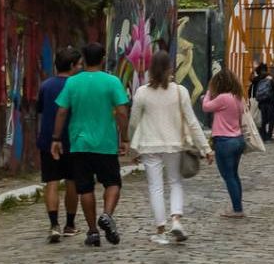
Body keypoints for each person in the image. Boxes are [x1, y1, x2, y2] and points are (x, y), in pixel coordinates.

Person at [52, 42, 131, 247]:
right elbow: (122, 112)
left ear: (84, 59)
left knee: (85, 188)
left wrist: (56, 138)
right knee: (113, 183)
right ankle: (107, 215)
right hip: (105, 143)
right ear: (103, 58)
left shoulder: (72, 83)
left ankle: (93, 231)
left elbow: (61, 111)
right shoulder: (112, 82)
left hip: (79, 143)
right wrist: (124, 137)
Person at [129, 48, 210, 245]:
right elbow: (192, 122)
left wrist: (132, 145)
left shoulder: (141, 93)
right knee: (175, 182)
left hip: (149, 145)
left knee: (155, 187)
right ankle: (176, 220)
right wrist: (206, 148)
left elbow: (133, 122)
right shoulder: (180, 92)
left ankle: (160, 229)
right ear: (169, 68)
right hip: (173, 144)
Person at [35, 46, 84, 243]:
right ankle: (70, 225)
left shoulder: (46, 86)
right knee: (72, 182)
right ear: (72, 65)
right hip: (72, 140)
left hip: (49, 140)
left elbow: (40, 110)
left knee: (51, 182)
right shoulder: (77, 86)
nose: (81, 67)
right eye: (79, 64)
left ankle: (54, 225)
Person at [201, 70, 248, 218]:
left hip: (224, 141)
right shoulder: (238, 98)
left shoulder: (223, 98)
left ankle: (237, 209)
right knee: (234, 174)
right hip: (238, 139)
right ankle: (238, 206)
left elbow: (206, 107)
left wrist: (208, 93)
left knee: (228, 176)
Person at [251, 62, 274, 142]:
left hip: (261, 101)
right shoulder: (269, 78)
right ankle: (268, 136)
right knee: (272, 119)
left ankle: (263, 136)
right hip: (270, 101)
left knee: (263, 120)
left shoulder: (256, 79)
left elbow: (252, 86)